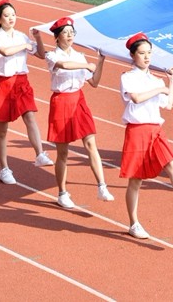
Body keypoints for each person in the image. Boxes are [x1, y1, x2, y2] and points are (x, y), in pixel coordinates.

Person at [119, 32, 173, 239]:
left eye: (149, 53)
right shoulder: (127, 77)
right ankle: (134, 223)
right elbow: (136, 98)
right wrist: (160, 89)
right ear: (133, 55)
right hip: (137, 131)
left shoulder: (156, 79)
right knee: (135, 180)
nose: (147, 57)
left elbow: (168, 105)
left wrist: (171, 82)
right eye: (142, 53)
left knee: (172, 166)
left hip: (155, 130)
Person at [32, 16, 115, 209]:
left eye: (72, 32)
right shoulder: (53, 56)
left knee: (91, 143)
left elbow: (94, 82)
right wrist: (86, 65)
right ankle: (62, 193)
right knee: (63, 152)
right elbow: (64, 65)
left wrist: (100, 61)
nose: (70, 36)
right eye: (66, 33)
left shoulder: (80, 56)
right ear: (57, 36)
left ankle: (102, 186)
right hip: (61, 102)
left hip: (79, 100)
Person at [0, 0, 54, 185]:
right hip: (4, 84)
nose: (11, 18)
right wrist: (25, 46)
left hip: (22, 82)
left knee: (30, 117)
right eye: (7, 15)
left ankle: (39, 154)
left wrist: (38, 38)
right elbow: (5, 52)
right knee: (2, 130)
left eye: (13, 15)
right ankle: (4, 169)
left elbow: (40, 54)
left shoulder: (22, 36)